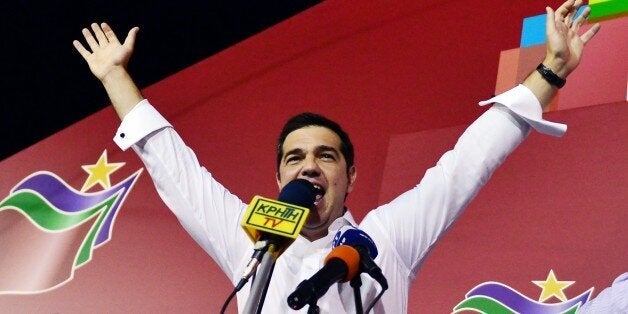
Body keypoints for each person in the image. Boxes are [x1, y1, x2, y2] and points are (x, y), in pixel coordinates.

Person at [73, 0, 600, 312]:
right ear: (278, 174)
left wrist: (551, 69)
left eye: (326, 157)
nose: (308, 166)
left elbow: (467, 164)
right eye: (294, 157)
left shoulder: (386, 238)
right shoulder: (250, 241)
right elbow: (174, 169)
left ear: (350, 177)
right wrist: (117, 77)